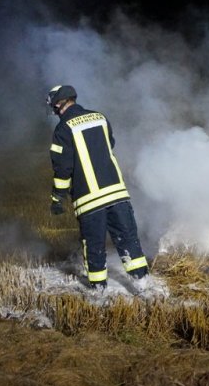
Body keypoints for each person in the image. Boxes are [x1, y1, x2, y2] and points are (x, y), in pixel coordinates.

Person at [46, 84, 149, 291]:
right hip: (117, 193)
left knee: (94, 246)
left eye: (54, 106)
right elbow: (109, 144)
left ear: (58, 104)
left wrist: (58, 198)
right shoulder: (100, 117)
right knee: (128, 239)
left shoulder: (63, 129)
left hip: (90, 199)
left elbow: (63, 168)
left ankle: (99, 291)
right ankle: (143, 284)